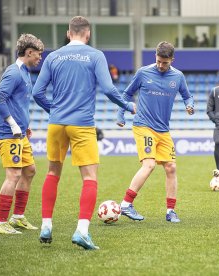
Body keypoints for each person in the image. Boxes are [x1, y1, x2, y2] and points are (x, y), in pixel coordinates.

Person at [32, 16, 136, 250]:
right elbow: (108, 89)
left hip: (56, 123)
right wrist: (128, 106)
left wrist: (55, 110)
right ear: (87, 34)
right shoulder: (95, 55)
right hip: (82, 124)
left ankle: (46, 225)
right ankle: (82, 231)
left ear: (69, 33)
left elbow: (37, 92)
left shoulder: (53, 56)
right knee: (89, 178)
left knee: (52, 173)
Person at [116, 41, 194, 223]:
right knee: (149, 165)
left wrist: (189, 105)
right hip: (143, 125)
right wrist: (121, 114)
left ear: (172, 60)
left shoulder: (178, 77)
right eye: (158, 61)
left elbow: (187, 95)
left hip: (163, 130)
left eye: (165, 63)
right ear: (155, 57)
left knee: (171, 167)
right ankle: (126, 204)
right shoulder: (143, 72)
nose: (160, 65)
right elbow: (127, 94)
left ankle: (170, 211)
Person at [0, 34, 44, 234]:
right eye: (38, 54)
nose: (40, 58)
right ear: (28, 52)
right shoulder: (13, 73)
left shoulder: (26, 73)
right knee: (13, 174)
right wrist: (13, 124)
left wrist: (24, 125)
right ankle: (0, 222)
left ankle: (17, 217)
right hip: (7, 133)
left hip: (19, 133)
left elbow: (18, 103)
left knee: (29, 170)